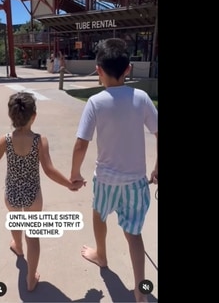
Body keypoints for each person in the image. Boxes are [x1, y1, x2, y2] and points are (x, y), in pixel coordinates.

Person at [69, 38, 158, 303]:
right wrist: (157, 168)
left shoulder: (95, 102)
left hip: (106, 180)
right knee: (134, 235)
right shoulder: (141, 97)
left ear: (98, 70)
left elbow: (81, 144)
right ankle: (141, 293)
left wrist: (74, 175)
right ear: (128, 69)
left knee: (99, 214)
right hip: (135, 182)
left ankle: (102, 255)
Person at [0, 92, 85, 292]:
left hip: (12, 193)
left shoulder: (4, 140)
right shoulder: (39, 141)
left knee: (15, 219)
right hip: (33, 194)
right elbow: (49, 170)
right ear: (34, 116)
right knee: (33, 236)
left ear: (11, 116)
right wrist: (70, 184)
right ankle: (31, 279)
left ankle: (17, 246)